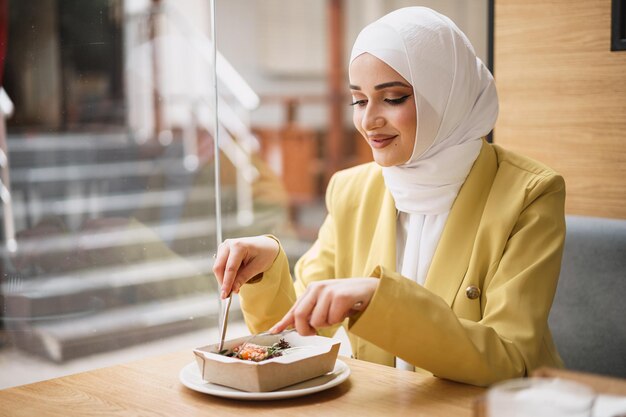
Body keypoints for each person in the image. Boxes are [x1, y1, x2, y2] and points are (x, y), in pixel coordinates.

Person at [212, 7, 566, 387]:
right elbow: (296, 337)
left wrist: (379, 298)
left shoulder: (530, 194)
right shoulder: (352, 190)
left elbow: (508, 359)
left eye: (393, 98)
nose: (368, 121)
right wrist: (266, 268)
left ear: (448, 95)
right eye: (359, 101)